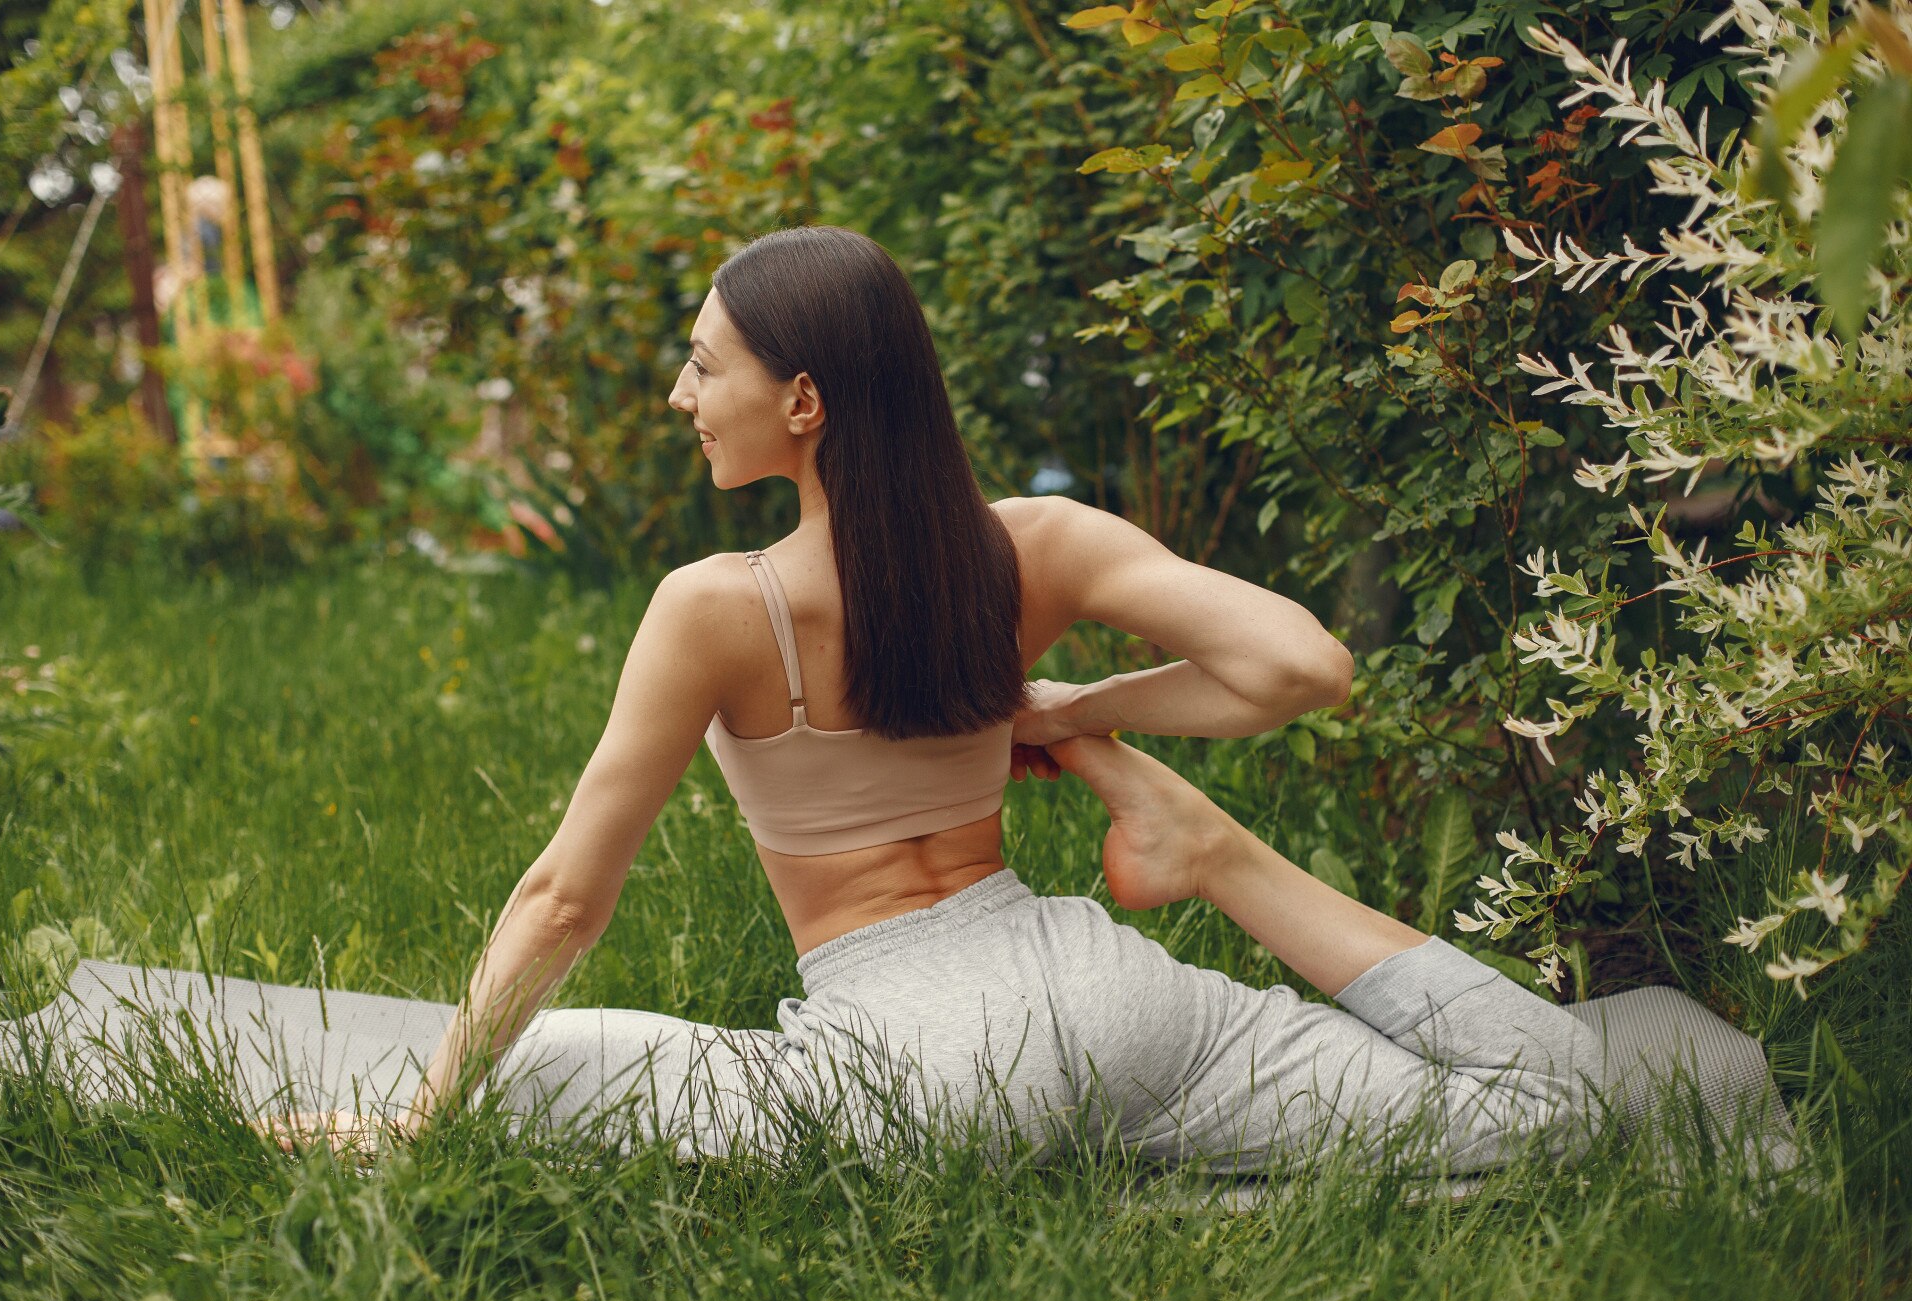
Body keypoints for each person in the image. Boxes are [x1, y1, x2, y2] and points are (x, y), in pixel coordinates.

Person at [263, 226, 1602, 1175]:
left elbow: (565, 898)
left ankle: (1198, 858)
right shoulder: (1039, 545)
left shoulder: (715, 607)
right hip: (1112, 996)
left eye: (701, 363)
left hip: (907, 1067)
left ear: (800, 399)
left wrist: (430, 1110)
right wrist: (1084, 712)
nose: (683, 393)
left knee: (540, 1071)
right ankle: (1220, 855)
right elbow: (1302, 666)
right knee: (1561, 1112)